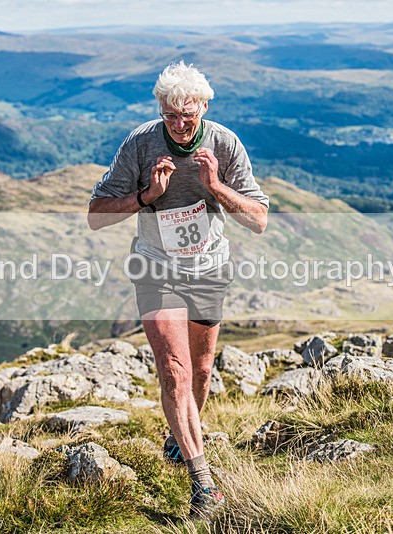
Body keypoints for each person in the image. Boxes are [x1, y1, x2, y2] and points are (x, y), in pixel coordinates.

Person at [87, 61, 269, 518]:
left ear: (204, 107)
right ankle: (203, 484)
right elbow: (97, 214)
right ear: (160, 109)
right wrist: (148, 195)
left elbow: (258, 219)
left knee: (202, 369)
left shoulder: (225, 143)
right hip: (155, 267)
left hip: (209, 267)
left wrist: (216, 187)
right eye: (171, 114)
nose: (180, 123)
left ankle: (181, 433)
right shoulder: (140, 143)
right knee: (175, 369)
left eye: (188, 113)